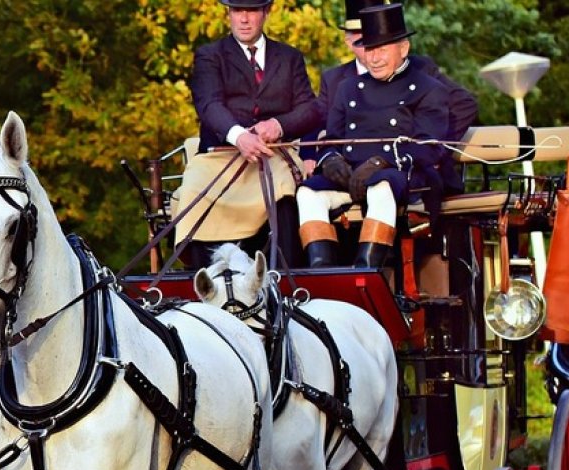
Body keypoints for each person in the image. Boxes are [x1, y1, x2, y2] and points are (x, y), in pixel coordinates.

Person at [295, 2, 448, 269]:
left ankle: (367, 267)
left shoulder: (428, 88)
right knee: (307, 192)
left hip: (405, 177)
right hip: (353, 178)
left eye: (382, 49)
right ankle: (321, 270)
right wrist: (330, 160)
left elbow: (429, 148)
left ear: (404, 48)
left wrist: (382, 162)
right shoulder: (347, 88)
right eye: (369, 49)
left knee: (381, 185)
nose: (373, 58)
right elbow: (332, 138)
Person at [183, 0, 324, 269]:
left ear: (266, 12)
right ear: (229, 14)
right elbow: (208, 105)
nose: (244, 19)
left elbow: (310, 109)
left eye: (251, 11)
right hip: (221, 156)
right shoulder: (209, 55)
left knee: (284, 190)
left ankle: (285, 280)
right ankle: (200, 280)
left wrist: (279, 125)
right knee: (192, 189)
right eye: (237, 11)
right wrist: (238, 136)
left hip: (274, 154)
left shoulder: (290, 57)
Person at [304, 0, 477, 195]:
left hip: (407, 175)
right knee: (307, 194)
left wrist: (430, 148)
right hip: (349, 176)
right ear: (350, 42)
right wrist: (321, 158)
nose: (373, 38)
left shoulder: (420, 69)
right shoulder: (335, 80)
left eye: (380, 35)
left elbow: (464, 105)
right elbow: (317, 121)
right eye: (364, 35)